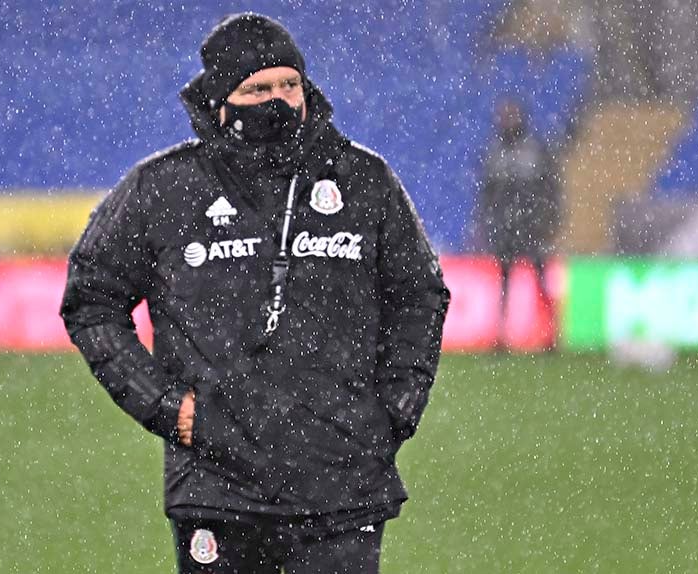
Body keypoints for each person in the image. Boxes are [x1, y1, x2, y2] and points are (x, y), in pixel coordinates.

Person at [61, 13, 450, 574]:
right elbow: (90, 299)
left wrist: (394, 410)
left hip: (342, 485)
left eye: (288, 84)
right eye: (256, 88)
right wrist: (171, 408)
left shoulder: (364, 181)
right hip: (219, 487)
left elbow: (420, 296)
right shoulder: (165, 189)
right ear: (221, 101)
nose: (277, 100)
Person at [479, 98, 560, 347]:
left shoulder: (535, 150)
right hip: (505, 228)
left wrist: (548, 221)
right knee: (505, 281)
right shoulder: (495, 153)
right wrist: (486, 223)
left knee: (540, 280)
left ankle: (550, 334)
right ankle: (501, 335)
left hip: (530, 226)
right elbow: (487, 194)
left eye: (512, 116)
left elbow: (550, 190)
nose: (508, 122)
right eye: (505, 117)